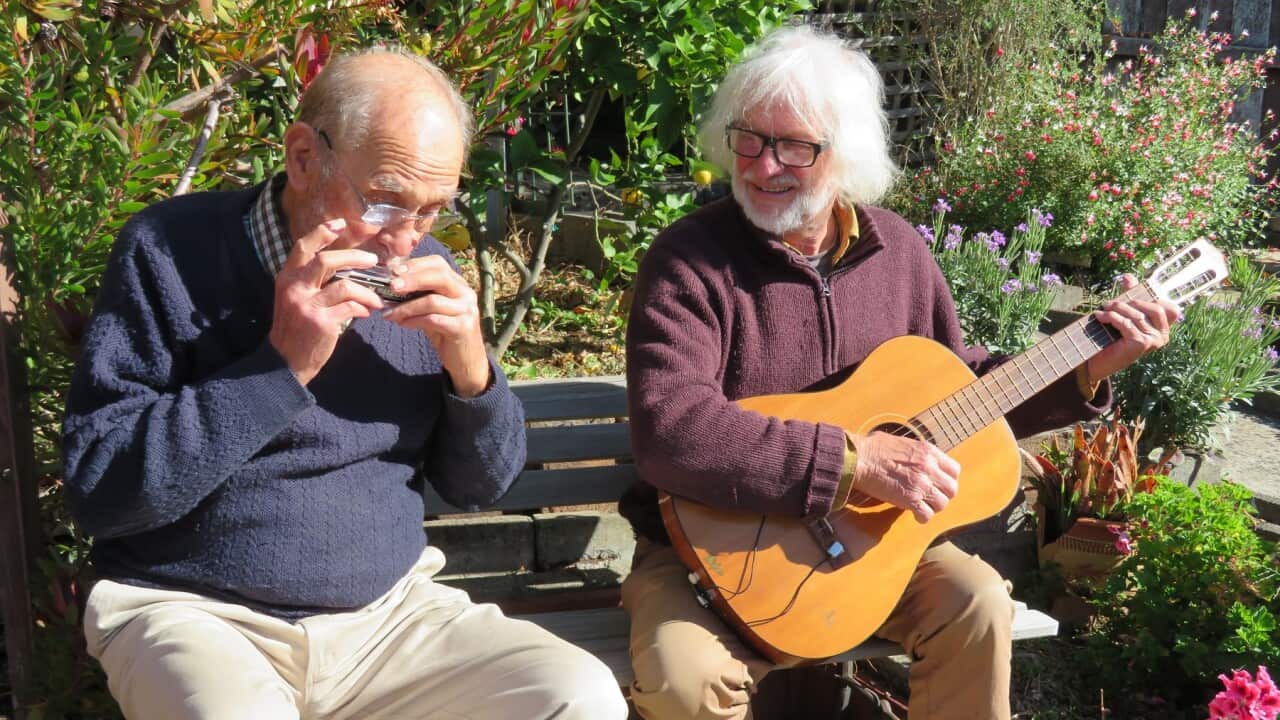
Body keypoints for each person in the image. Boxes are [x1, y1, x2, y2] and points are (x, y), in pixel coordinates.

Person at [618, 25, 1180, 720]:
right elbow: (673, 431)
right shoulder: (687, 263)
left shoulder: (899, 253)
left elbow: (959, 393)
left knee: (975, 604)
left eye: (795, 147)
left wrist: (1088, 365)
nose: (764, 167)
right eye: (750, 139)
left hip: (870, 555)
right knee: (686, 682)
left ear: (844, 156)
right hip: (702, 553)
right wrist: (854, 462)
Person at [62, 48, 627, 720]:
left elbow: (480, 486)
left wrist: (472, 372)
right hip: (196, 615)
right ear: (304, 157)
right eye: (386, 201)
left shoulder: (423, 265)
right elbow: (100, 490)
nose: (407, 241)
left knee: (578, 697)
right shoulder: (169, 251)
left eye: (434, 210)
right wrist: (281, 365)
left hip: (390, 620)